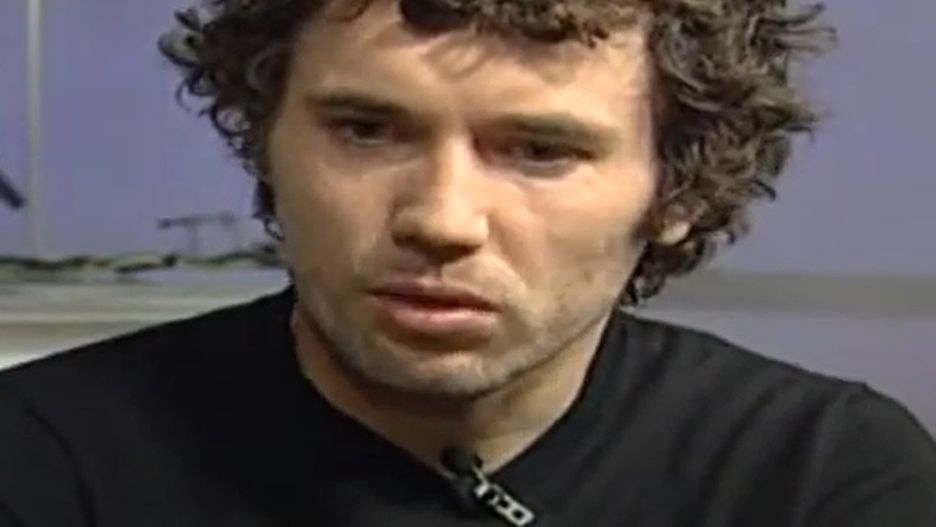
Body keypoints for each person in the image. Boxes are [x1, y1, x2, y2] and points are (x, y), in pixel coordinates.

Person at [1, 0, 935, 525]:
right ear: (266, 143)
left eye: (540, 150)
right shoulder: (46, 459)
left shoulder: (814, 474)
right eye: (366, 130)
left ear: (675, 194)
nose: (442, 220)